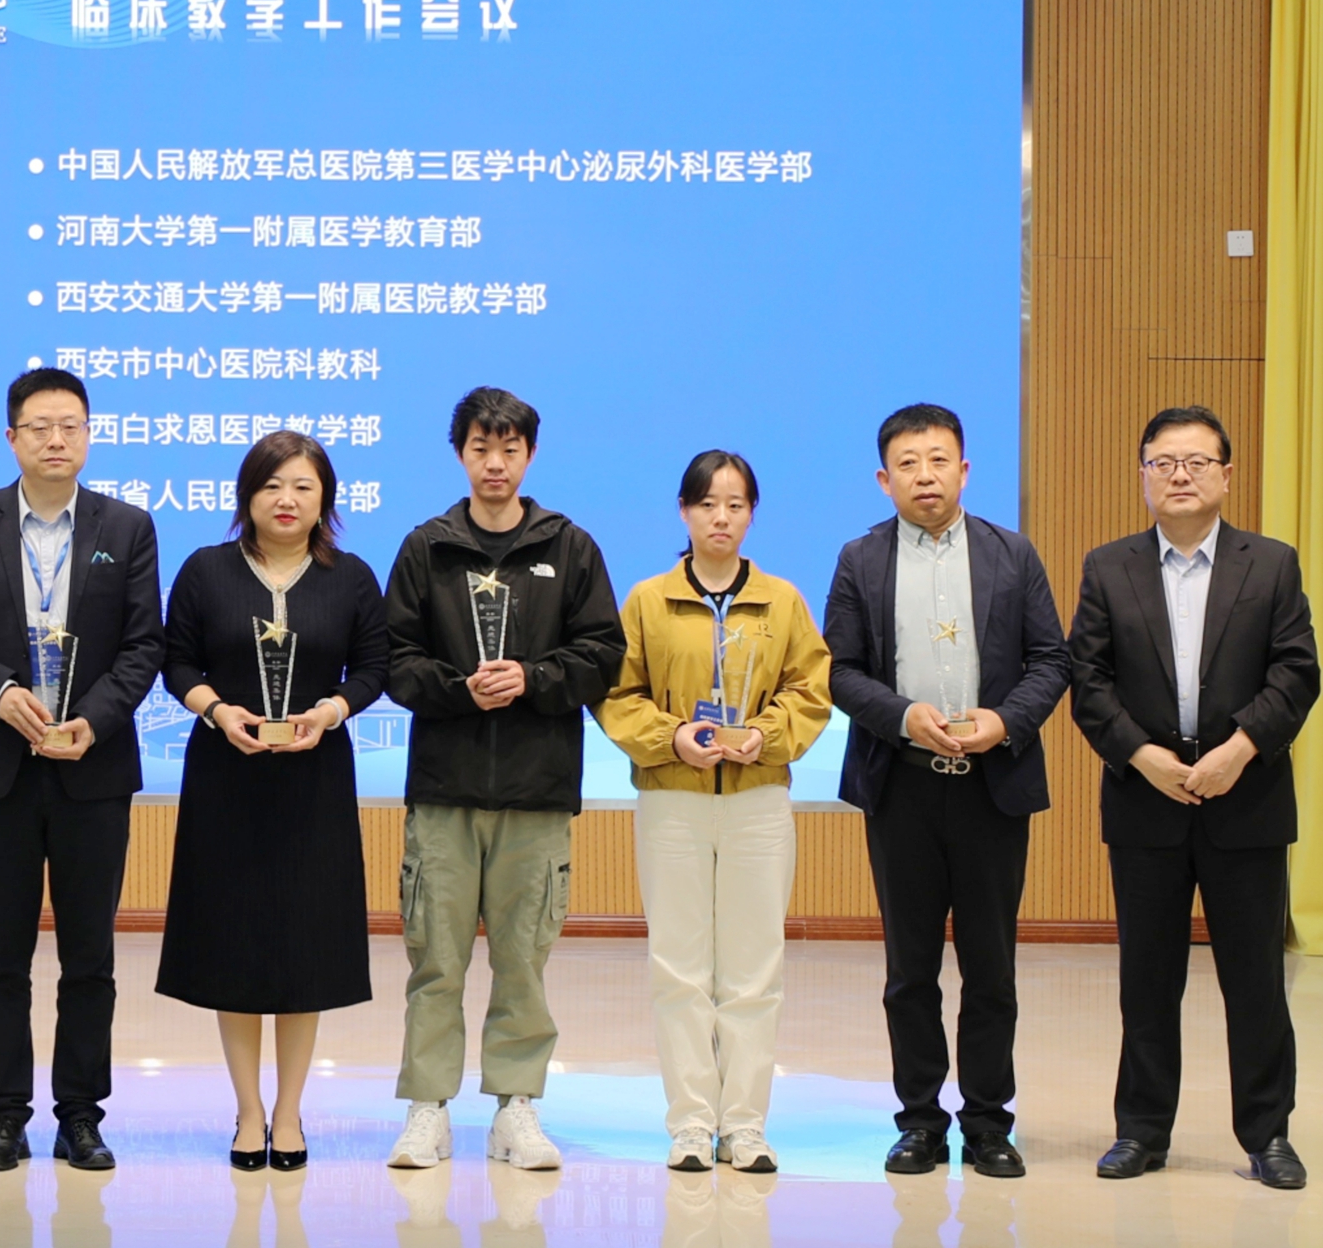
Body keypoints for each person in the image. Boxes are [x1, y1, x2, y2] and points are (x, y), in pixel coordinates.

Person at [0, 368, 164, 1173]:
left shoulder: (127, 527)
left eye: (71, 426)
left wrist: (94, 718)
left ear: (88, 435)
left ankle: (81, 1117)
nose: (56, 439)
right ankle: (5, 1117)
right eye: (40, 427)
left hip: (93, 769)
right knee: (3, 956)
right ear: (12, 437)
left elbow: (145, 646)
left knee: (90, 956)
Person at [1069, 405, 1319, 1190]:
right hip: (1146, 802)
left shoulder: (1270, 564)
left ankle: (1268, 1134)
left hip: (1246, 800)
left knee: (1255, 981)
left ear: (1226, 475)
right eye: (1163, 462)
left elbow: (1297, 672)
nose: (1180, 475)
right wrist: (1142, 756)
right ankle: (1142, 1132)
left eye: (1197, 462)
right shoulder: (1108, 567)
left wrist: (1239, 750)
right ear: (1143, 475)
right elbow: (1088, 681)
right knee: (1147, 980)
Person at [822, 404, 1070, 1178]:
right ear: (884, 478)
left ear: (964, 470)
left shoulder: (1012, 553)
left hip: (991, 788)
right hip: (904, 788)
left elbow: (1051, 659)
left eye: (938, 461)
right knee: (911, 972)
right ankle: (921, 1122)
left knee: (992, 969)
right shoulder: (861, 559)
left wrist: (1005, 721)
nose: (924, 476)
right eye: (908, 463)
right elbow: (839, 671)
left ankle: (990, 1123)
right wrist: (903, 717)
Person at [383, 386, 626, 1172]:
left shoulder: (571, 547)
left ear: (530, 455)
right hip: (444, 791)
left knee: (523, 959)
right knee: (436, 960)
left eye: (510, 448)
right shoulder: (427, 548)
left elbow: (602, 654)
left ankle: (516, 1106)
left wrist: (532, 678)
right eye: (481, 448)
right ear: (460, 454)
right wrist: (460, 690)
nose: (496, 463)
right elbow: (394, 660)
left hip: (536, 789)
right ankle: (428, 1108)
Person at [157, 431, 390, 1171]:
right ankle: (248, 1110)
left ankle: (288, 1112)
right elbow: (176, 660)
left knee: (303, 948)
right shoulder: (206, 570)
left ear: (325, 499)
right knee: (234, 946)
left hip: (314, 782)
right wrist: (217, 710)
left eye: (303, 487)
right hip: (226, 777)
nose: (286, 500)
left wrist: (331, 711)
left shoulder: (351, 578)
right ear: (246, 495)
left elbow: (375, 665)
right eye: (271, 486)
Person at [595, 450, 831, 1173]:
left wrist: (765, 735)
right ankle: (692, 1124)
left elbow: (810, 690)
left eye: (734, 504)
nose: (720, 517)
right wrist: (672, 737)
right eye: (706, 504)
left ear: (752, 514)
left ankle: (747, 1125)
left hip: (759, 797)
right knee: (679, 967)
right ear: (683, 511)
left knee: (755, 968)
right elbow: (616, 695)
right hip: (672, 798)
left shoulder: (782, 601)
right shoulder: (648, 601)